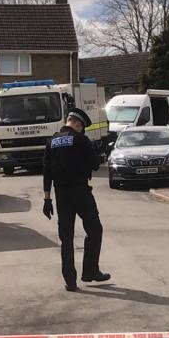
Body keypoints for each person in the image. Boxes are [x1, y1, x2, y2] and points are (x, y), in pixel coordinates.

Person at [42, 107, 111, 292]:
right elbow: (95, 164)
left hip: (61, 196)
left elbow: (47, 171)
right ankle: (90, 271)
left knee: (67, 238)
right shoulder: (81, 140)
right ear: (79, 125)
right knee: (94, 229)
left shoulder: (52, 142)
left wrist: (47, 199)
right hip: (81, 194)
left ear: (67, 121)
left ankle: (70, 281)